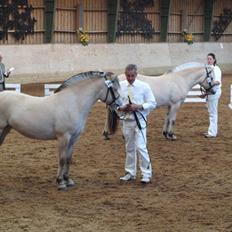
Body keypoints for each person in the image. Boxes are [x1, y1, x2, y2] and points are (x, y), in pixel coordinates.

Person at [118, 64, 157, 184]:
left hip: (140, 120)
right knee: (129, 147)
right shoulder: (121, 86)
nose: (130, 78)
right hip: (126, 120)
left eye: (132, 76)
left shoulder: (144, 86)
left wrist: (139, 106)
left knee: (141, 146)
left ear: (136, 74)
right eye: (128, 76)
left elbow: (152, 103)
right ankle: (130, 172)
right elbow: (116, 104)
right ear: (125, 75)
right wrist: (122, 108)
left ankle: (146, 174)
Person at [204, 53, 222, 138]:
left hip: (214, 92)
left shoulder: (216, 69)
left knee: (213, 113)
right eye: (208, 59)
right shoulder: (208, 69)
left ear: (214, 60)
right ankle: (211, 131)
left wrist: (210, 84)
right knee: (211, 113)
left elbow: (217, 81)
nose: (209, 60)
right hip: (210, 93)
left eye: (210, 59)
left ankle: (212, 133)